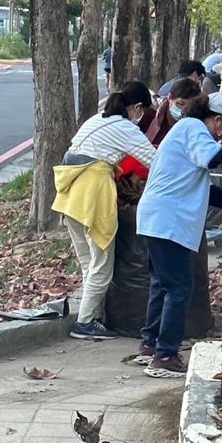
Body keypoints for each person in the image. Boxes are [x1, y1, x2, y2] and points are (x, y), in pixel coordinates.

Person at [135, 92, 222, 377]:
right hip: (167, 221)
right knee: (179, 289)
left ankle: (151, 344)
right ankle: (165, 356)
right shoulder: (193, 128)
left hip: (159, 219)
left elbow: (202, 187)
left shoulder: (187, 135)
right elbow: (214, 160)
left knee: (162, 286)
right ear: (216, 119)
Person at [52, 90, 157, 340]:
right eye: (144, 112)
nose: (143, 118)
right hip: (94, 193)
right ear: (137, 107)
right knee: (102, 264)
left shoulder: (96, 119)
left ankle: (93, 317)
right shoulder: (125, 127)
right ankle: (85, 322)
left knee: (89, 262)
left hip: (70, 196)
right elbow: (155, 161)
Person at [146, 78, 201, 147]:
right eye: (180, 104)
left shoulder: (196, 124)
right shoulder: (151, 114)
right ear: (170, 97)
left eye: (189, 108)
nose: (183, 111)